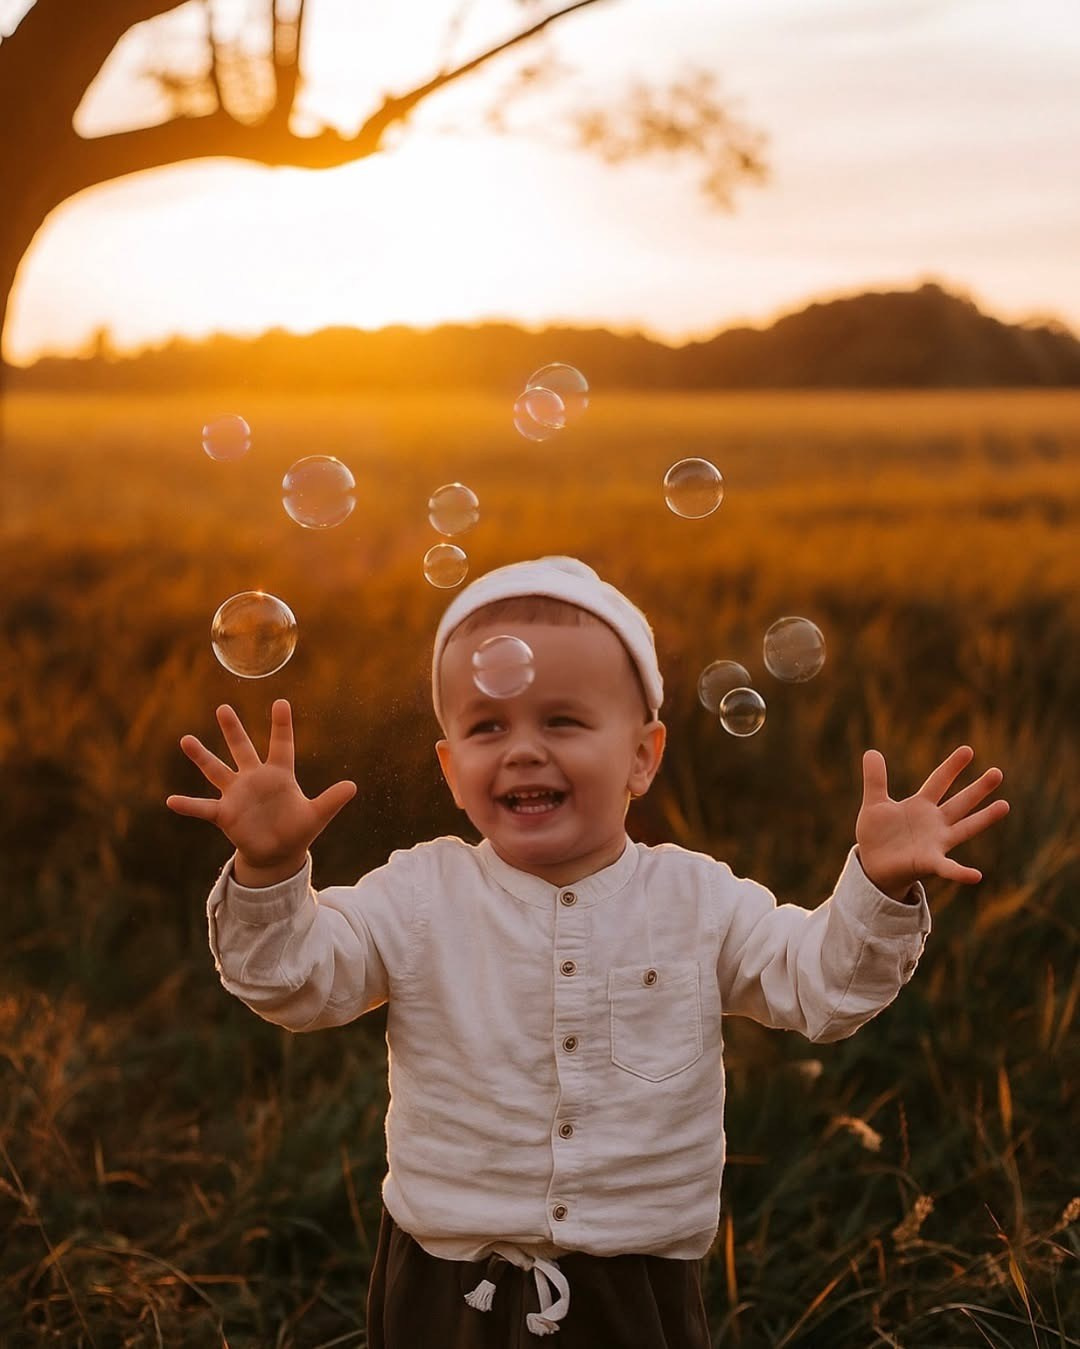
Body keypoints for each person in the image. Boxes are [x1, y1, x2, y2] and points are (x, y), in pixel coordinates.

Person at [166, 556, 1009, 1347]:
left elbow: (822, 988)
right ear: (453, 770)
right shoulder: (419, 894)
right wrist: (270, 870)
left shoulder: (696, 897)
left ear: (643, 756)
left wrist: (877, 884)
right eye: (488, 725)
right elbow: (293, 980)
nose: (524, 747)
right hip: (447, 1287)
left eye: (563, 720)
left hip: (632, 1287)